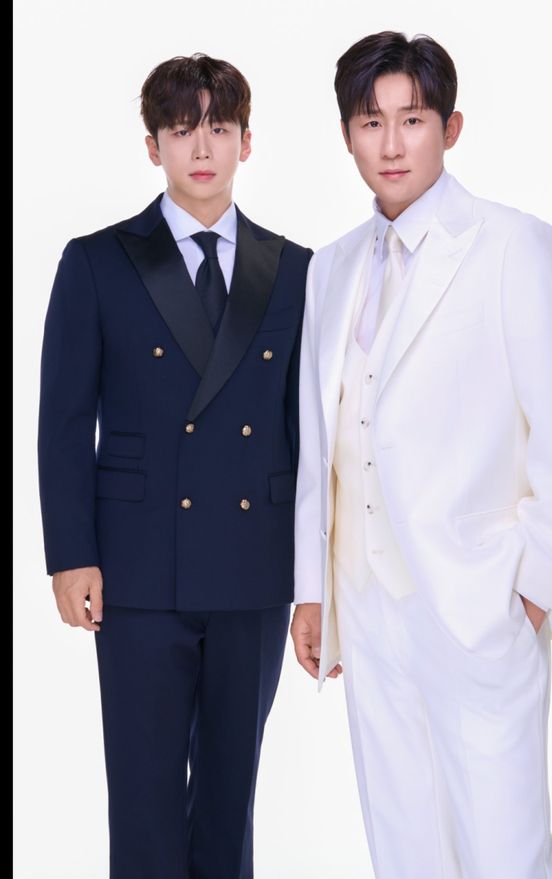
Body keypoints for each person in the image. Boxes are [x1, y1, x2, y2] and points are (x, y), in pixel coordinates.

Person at [290, 30, 552, 879]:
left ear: (450, 128)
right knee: (403, 848)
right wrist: (313, 589)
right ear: (347, 136)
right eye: (371, 123)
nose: (392, 144)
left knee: (504, 848)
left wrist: (532, 589)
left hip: (478, 600)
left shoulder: (514, 245)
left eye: (413, 119)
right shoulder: (330, 269)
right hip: (367, 609)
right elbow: (318, 440)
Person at [38, 52, 311, 879]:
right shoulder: (98, 261)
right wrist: (70, 555)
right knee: (144, 797)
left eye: (218, 128)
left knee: (230, 800)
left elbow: (310, 434)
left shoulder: (294, 268)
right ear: (152, 144)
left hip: (254, 567)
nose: (201, 147)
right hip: (136, 568)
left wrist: (313, 579)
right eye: (182, 128)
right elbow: (63, 421)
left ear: (247, 142)